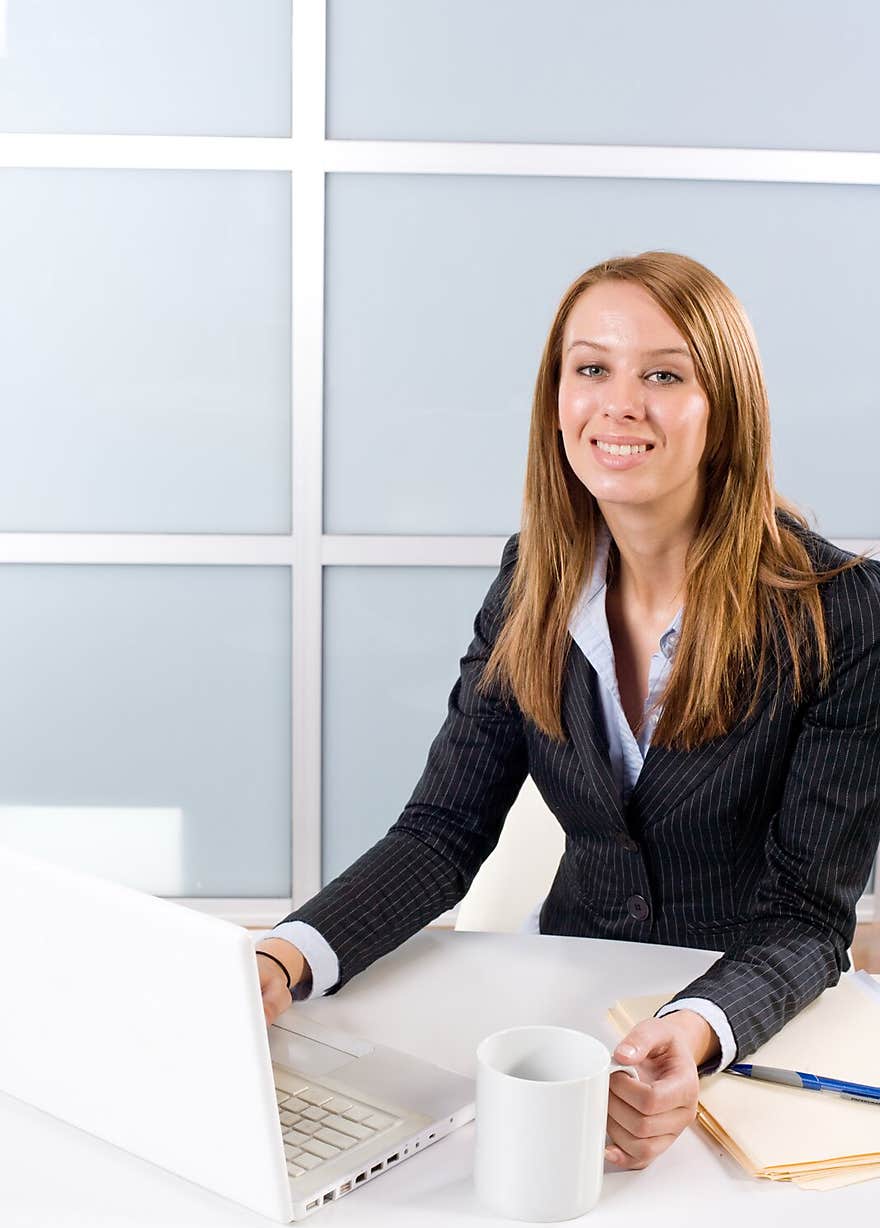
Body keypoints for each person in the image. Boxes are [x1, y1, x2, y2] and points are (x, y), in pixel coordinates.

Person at [255, 250, 880, 1172]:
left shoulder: (842, 612)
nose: (619, 404)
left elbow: (807, 919)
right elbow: (441, 831)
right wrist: (283, 959)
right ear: (559, 397)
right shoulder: (533, 583)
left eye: (664, 375)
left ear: (727, 411)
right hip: (567, 999)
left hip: (749, 1027)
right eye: (591, 369)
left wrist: (698, 1030)